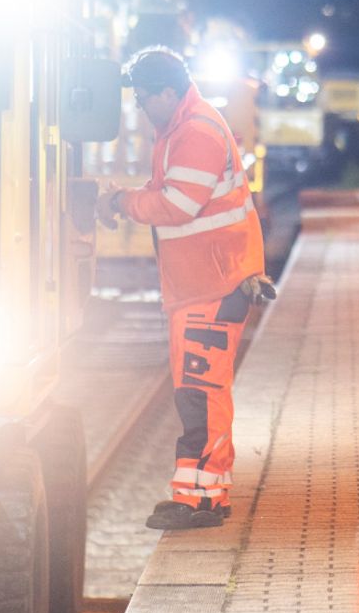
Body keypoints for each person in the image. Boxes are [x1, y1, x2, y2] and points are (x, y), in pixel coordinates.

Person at [100, 47, 269, 531]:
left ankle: (198, 499)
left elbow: (177, 204)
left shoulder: (195, 131)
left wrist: (121, 201)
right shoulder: (181, 126)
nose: (138, 106)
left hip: (211, 284)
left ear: (167, 93)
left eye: (143, 96)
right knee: (198, 392)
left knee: (201, 392)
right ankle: (204, 495)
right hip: (203, 281)